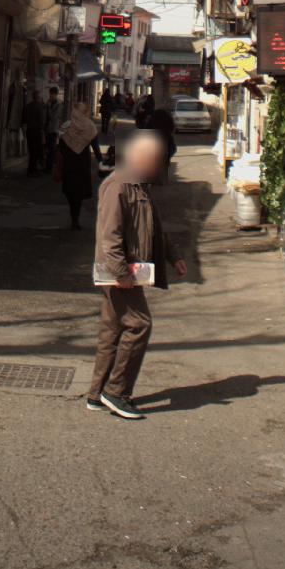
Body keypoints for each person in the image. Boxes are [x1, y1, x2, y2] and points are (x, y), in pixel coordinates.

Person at [87, 127, 186, 419]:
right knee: (140, 324)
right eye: (153, 159)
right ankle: (116, 392)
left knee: (112, 330)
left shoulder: (139, 185)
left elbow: (153, 227)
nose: (157, 166)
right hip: (119, 274)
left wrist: (173, 256)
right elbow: (110, 236)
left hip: (128, 272)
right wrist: (121, 274)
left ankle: (97, 394)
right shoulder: (117, 186)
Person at [55, 100, 100, 229]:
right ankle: (76, 219)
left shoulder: (67, 126)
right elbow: (96, 147)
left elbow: (60, 146)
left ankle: (73, 218)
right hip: (82, 164)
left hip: (69, 163)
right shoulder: (90, 126)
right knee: (79, 192)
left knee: (71, 192)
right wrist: (102, 161)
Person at [146, 106, 176, 181]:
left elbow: (147, 128)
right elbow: (172, 128)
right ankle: (163, 176)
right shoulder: (168, 118)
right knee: (168, 155)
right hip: (165, 139)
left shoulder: (152, 118)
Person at [23, 89, 46, 174]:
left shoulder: (28, 106)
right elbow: (41, 120)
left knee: (31, 151)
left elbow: (24, 118)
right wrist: (42, 132)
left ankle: (31, 169)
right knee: (36, 152)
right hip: (37, 132)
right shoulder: (39, 107)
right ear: (38, 97)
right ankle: (33, 170)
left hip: (29, 131)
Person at [44, 87, 62, 173]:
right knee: (48, 148)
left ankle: (49, 168)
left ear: (55, 94)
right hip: (47, 129)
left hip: (53, 129)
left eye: (52, 94)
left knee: (51, 149)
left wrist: (48, 107)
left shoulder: (58, 104)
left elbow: (53, 117)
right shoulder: (49, 102)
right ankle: (48, 166)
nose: (50, 95)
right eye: (50, 94)